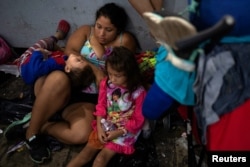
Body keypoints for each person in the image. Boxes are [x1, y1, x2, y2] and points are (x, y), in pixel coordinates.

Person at [4, 2, 137, 164]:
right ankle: (31, 135)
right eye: (98, 26)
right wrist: (94, 69)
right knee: (58, 79)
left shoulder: (125, 41)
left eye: (109, 30)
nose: (101, 34)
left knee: (81, 134)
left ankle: (39, 124)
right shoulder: (85, 31)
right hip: (62, 86)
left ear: (119, 30)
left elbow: (124, 69)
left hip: (88, 100)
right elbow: (69, 51)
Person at [67, 46, 146, 167]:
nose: (113, 79)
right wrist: (99, 127)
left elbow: (139, 119)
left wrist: (119, 132)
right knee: (84, 155)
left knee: (100, 160)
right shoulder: (106, 83)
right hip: (105, 125)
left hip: (125, 130)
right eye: (110, 74)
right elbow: (101, 106)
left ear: (129, 74)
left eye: (118, 75)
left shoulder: (138, 92)